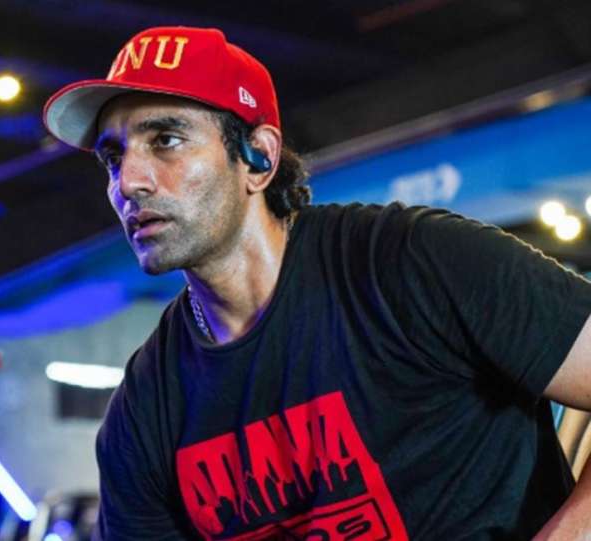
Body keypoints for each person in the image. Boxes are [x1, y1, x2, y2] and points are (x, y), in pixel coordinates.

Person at [43, 26, 591, 540]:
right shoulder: (146, 407)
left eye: (165, 139)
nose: (129, 181)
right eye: (113, 157)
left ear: (259, 157)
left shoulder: (415, 261)